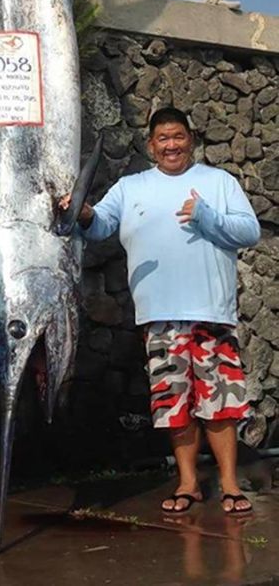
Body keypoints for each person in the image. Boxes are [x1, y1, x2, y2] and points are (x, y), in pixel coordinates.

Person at [78, 106, 260, 515]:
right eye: (163, 138)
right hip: (158, 315)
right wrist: (83, 212)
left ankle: (230, 484)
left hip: (210, 312)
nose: (171, 145)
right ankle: (188, 484)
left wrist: (207, 216)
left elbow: (249, 231)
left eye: (178, 136)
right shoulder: (131, 187)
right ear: (151, 145)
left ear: (190, 140)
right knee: (174, 404)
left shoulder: (219, 182)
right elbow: (100, 224)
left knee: (221, 402)